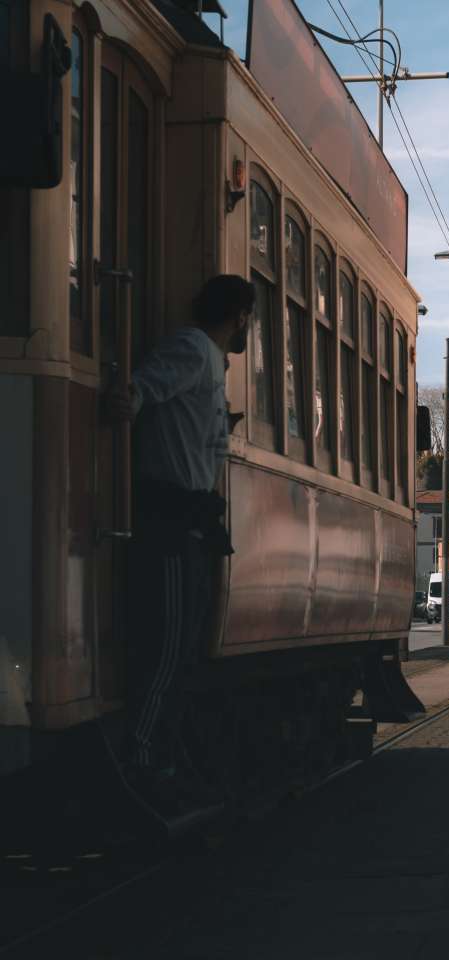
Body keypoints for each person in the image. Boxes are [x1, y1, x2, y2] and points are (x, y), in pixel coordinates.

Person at [106, 274, 253, 815]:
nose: (247, 328)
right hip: (166, 517)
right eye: (247, 319)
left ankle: (160, 755)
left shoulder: (214, 363)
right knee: (168, 649)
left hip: (188, 518)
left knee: (184, 647)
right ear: (238, 314)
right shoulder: (194, 348)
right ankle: (143, 759)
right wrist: (130, 398)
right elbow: (147, 385)